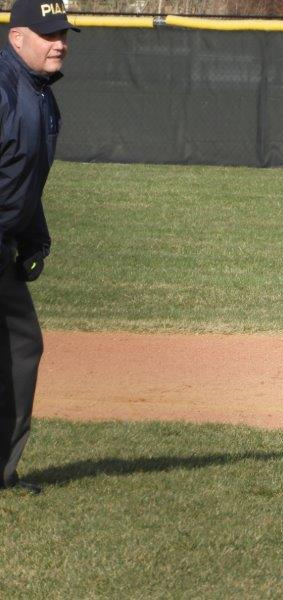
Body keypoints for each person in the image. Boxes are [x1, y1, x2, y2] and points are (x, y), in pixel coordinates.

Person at [0, 0, 78, 494]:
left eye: (64, 33)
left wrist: (33, 237)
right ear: (16, 38)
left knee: (21, 345)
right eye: (48, 33)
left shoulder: (42, 97)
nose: (60, 43)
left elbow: (24, 180)